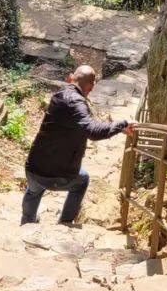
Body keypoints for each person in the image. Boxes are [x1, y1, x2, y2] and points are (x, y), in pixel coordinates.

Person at [21, 64, 129, 224]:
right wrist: (122, 125)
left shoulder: (58, 96)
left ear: (70, 78)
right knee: (82, 180)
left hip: (34, 168)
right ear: (91, 87)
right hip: (59, 175)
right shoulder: (77, 102)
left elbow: (83, 123)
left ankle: (27, 222)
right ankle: (64, 224)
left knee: (33, 189)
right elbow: (92, 130)